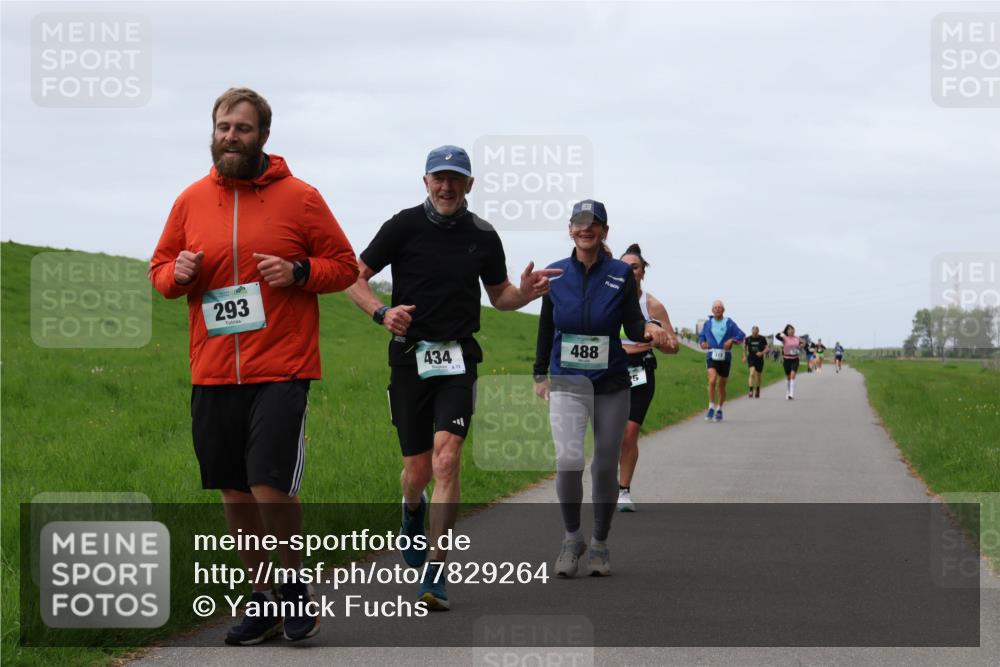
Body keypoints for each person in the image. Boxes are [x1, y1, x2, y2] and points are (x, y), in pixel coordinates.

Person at [148, 88, 359, 645]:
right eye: (223, 127)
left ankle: (293, 590)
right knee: (234, 492)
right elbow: (160, 272)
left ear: (264, 135)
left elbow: (342, 266)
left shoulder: (301, 198)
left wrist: (298, 270)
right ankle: (261, 599)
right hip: (214, 369)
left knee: (268, 483)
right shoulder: (191, 200)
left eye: (242, 128)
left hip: (282, 367)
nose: (231, 137)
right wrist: (181, 275)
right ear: (213, 132)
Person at [347, 145, 559, 610]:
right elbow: (353, 278)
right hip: (408, 360)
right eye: (438, 178)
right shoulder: (401, 226)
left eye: (456, 179)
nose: (446, 186)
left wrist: (526, 292)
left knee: (447, 461)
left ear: (470, 185)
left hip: (459, 360)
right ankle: (411, 512)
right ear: (425, 181)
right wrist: (382, 313)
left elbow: (500, 296)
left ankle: (435, 573)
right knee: (417, 471)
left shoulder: (482, 235)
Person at [534, 200, 669, 577]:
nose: (585, 228)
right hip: (566, 380)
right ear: (570, 229)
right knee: (568, 462)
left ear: (605, 231)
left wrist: (649, 329)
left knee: (605, 466)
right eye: (579, 222)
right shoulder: (555, 273)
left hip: (610, 382)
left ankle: (600, 542)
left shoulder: (619, 274)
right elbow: (547, 325)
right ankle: (571, 537)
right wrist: (539, 372)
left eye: (594, 224)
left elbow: (630, 322)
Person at [615, 244, 679, 512]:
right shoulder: (608, 298)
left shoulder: (652, 305)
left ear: (643, 272)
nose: (630, 271)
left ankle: (623, 490)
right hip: (611, 368)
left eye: (635, 267)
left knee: (630, 432)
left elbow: (674, 346)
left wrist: (659, 341)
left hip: (640, 369)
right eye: (624, 267)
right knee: (611, 434)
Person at [697, 301, 746, 422]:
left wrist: (732, 340)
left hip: (725, 357)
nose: (717, 309)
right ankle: (711, 407)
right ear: (712, 310)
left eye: (720, 308)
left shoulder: (729, 323)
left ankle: (719, 409)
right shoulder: (708, 323)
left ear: (723, 310)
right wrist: (702, 342)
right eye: (715, 308)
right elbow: (702, 336)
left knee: (722, 385)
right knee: (712, 380)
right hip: (712, 355)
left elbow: (741, 335)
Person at [775, 324, 803, 399]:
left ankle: (791, 394)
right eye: (789, 329)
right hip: (786, 359)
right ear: (787, 331)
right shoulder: (784, 338)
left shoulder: (797, 338)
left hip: (795, 359)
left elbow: (804, 343)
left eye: (792, 329)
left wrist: (801, 346)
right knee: (788, 377)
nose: (791, 330)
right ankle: (788, 391)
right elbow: (777, 336)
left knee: (793, 375)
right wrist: (782, 332)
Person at [742, 325, 769, 399]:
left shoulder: (762, 338)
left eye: (756, 332)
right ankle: (751, 390)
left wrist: (762, 353)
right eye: (753, 332)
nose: (754, 333)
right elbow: (744, 348)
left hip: (759, 358)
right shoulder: (748, 339)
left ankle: (757, 389)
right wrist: (744, 356)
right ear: (751, 331)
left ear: (758, 332)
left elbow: (767, 348)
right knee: (752, 373)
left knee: (759, 375)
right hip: (751, 357)